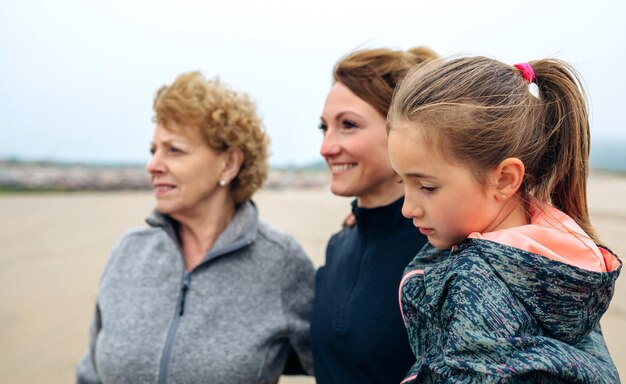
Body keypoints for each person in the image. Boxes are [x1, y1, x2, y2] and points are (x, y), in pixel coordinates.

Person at [388, 56, 622, 383]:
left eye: (427, 186)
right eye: (402, 182)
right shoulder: (563, 261)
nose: (407, 208)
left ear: (505, 179)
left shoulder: (474, 282)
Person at [76, 71, 315, 383]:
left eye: (174, 150)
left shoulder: (281, 262)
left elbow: (341, 366)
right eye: (153, 150)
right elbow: (90, 374)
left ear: (229, 163)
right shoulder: (128, 252)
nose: (153, 165)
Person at [310, 46, 436, 383]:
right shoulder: (339, 246)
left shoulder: (444, 252)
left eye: (348, 125)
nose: (326, 147)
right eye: (324, 127)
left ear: (403, 130)